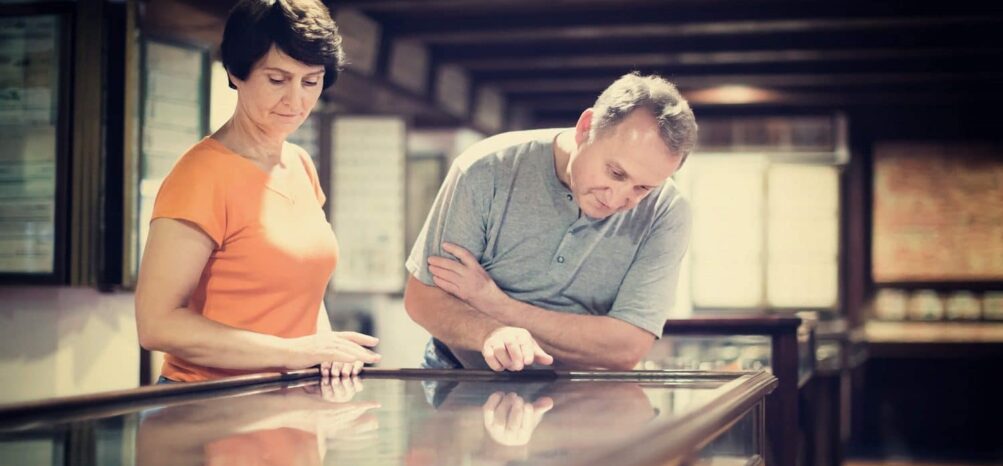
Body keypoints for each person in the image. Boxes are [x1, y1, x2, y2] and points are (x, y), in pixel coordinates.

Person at [135, 0, 379, 383]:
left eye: (310, 82)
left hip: (286, 400)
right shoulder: (201, 174)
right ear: (236, 72)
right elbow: (157, 324)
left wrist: (326, 349)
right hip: (206, 406)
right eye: (278, 80)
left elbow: (304, 292)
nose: (295, 101)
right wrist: (297, 352)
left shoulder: (300, 165)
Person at [404, 72, 697, 372]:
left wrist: (497, 305)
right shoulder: (485, 169)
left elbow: (625, 348)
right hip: (461, 377)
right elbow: (423, 299)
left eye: (642, 188)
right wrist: (489, 333)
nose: (618, 198)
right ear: (586, 128)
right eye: (615, 173)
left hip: (586, 394)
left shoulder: (667, 211)